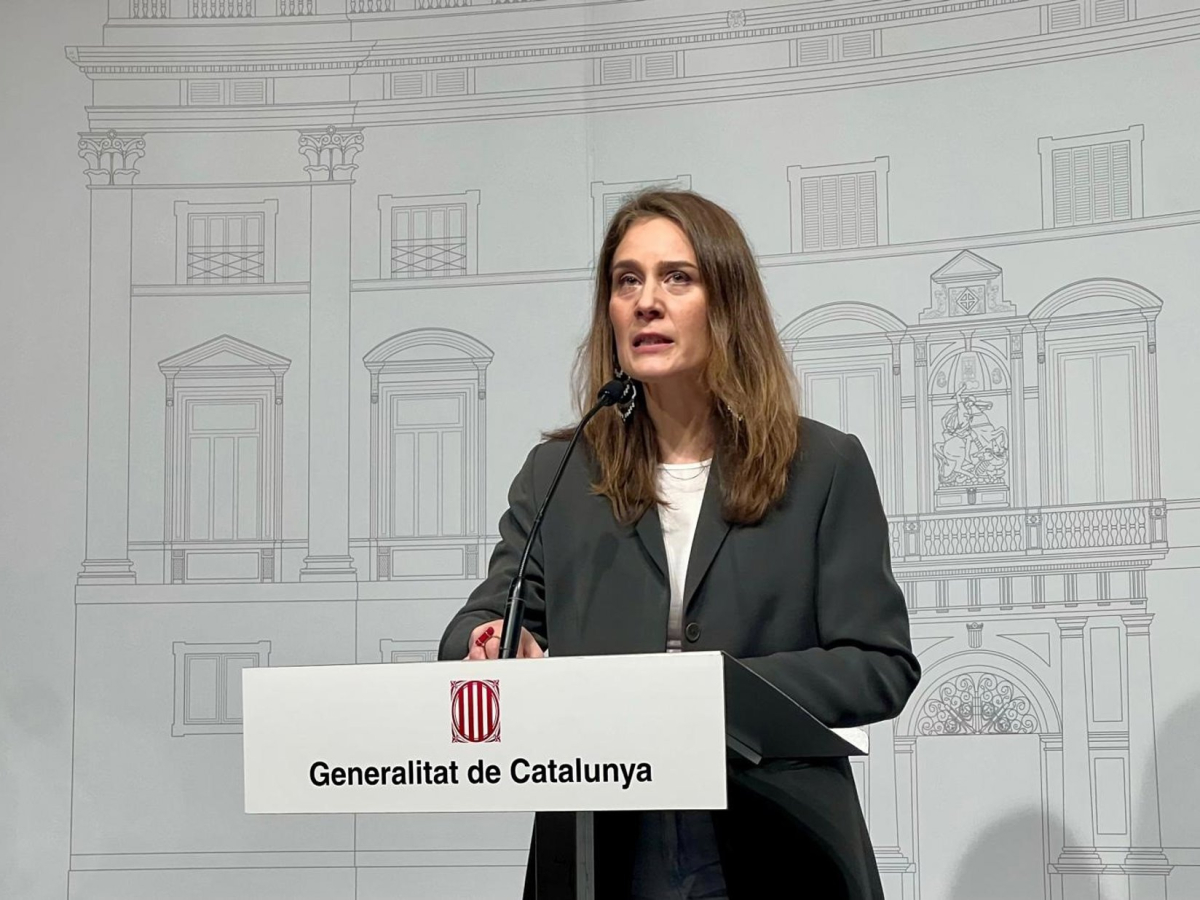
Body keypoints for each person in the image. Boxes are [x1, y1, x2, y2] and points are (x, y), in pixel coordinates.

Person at [438, 190, 920, 899]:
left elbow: (879, 665)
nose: (646, 302)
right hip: (603, 846)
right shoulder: (559, 473)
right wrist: (493, 645)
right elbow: (476, 626)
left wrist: (709, 693)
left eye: (677, 278)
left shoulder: (822, 465)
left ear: (726, 304)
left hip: (775, 843)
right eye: (626, 281)